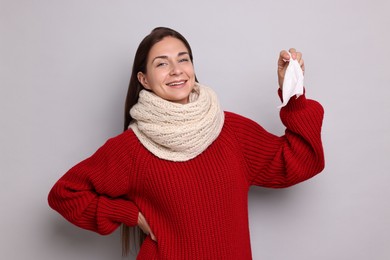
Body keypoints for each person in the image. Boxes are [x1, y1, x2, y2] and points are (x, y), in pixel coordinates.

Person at [48, 27, 325, 259]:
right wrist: (129, 214)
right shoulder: (131, 149)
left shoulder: (230, 131)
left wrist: (294, 93)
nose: (176, 70)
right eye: (161, 63)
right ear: (143, 79)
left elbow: (301, 160)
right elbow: (65, 194)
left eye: (183, 59)